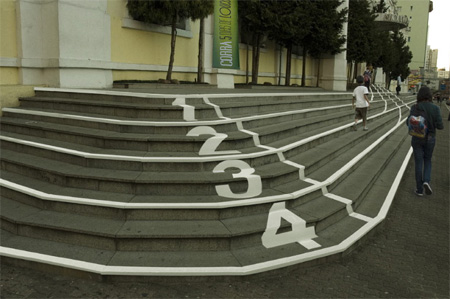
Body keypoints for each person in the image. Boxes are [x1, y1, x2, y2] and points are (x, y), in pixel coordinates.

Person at [406, 86, 444, 196]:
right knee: (427, 160)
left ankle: (419, 190)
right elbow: (440, 126)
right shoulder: (435, 108)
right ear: (430, 96)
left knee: (418, 162)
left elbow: (408, 123)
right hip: (430, 138)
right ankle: (426, 181)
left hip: (417, 137)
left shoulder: (415, 107)